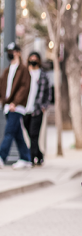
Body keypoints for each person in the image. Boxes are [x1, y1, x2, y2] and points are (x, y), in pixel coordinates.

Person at [0, 42, 32, 170]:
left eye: (12, 51)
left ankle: (1, 156)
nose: (10, 54)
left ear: (18, 52)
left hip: (16, 107)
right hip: (8, 106)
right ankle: (26, 158)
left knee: (8, 132)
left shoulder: (23, 69)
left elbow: (24, 87)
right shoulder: (7, 70)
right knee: (17, 133)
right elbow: (2, 87)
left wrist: (15, 102)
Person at [23, 51, 51, 166]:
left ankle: (32, 158)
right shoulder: (25, 74)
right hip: (25, 109)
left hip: (37, 109)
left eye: (35, 58)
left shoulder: (43, 75)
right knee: (30, 134)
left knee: (34, 134)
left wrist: (44, 106)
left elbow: (48, 93)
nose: (33, 60)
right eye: (31, 58)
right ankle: (39, 155)